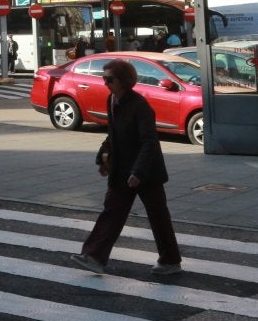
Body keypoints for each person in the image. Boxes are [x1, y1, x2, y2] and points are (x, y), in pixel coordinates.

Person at [69, 58, 183, 277]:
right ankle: (93, 257)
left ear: (124, 80)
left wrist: (138, 172)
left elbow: (150, 142)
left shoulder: (140, 105)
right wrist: (102, 160)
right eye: (104, 79)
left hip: (146, 172)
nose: (105, 83)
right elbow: (112, 135)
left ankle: (170, 260)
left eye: (110, 79)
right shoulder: (112, 100)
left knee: (158, 216)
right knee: (112, 212)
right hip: (122, 170)